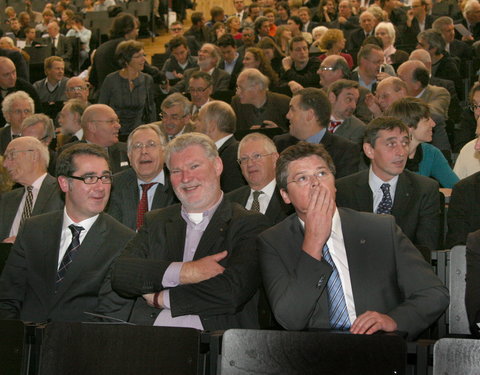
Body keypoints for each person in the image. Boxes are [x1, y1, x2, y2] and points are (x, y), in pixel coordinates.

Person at [258, 141, 449, 339]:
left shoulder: (380, 229)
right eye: (302, 178)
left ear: (335, 184)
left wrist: (393, 321)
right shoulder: (273, 241)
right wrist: (313, 244)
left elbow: (433, 294)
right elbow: (291, 319)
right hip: (312, 353)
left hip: (377, 348)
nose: (316, 182)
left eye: (322, 173)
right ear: (285, 195)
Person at [94, 133, 271, 329]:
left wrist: (161, 298)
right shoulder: (157, 221)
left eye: (194, 166)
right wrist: (186, 271)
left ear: (217, 166)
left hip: (213, 346)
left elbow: (232, 292)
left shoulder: (249, 224)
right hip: (150, 339)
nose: (186, 178)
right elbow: (121, 274)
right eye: (176, 171)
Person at [0, 143, 134, 322]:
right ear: (64, 183)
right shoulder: (33, 229)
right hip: (24, 343)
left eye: (105, 177)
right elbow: (8, 298)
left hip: (80, 345)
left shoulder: (123, 241)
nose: (100, 187)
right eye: (89, 178)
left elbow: (110, 317)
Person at [336, 116, 441, 255]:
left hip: (406, 271)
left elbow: (426, 250)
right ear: (369, 150)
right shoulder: (343, 189)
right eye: (391, 144)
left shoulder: (424, 190)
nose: (401, 152)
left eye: (404, 143)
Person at [274, 88, 360, 179]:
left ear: (309, 115)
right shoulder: (280, 144)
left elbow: (343, 189)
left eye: (292, 110)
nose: (287, 115)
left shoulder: (345, 151)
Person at [107, 124, 177, 231]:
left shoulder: (177, 185)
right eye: (137, 146)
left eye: (151, 145)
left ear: (164, 152)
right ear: (129, 156)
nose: (144, 151)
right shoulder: (113, 186)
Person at [0, 136, 63, 243]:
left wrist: (23, 242)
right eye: (5, 158)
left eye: (11, 155)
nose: (5, 164)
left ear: (34, 155)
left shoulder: (61, 192)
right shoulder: (7, 199)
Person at [386, 98, 459, 188]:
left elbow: (457, 188)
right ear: (409, 126)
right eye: (427, 119)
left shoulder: (431, 153)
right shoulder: (385, 155)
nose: (433, 124)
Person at [227, 132, 292, 224]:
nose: (250, 164)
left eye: (257, 156)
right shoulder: (230, 201)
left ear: (275, 158)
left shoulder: (291, 196)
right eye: (244, 159)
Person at [98, 40, 156, 136]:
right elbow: (101, 108)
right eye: (138, 56)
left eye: (143, 55)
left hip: (139, 133)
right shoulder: (111, 80)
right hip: (114, 133)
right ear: (126, 60)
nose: (143, 60)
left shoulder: (147, 80)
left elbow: (151, 110)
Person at [60, 104, 130, 174]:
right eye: (111, 121)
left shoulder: (127, 151)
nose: (118, 126)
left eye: (117, 121)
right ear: (92, 126)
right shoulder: (69, 153)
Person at [195, 100, 246, 193]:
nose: (195, 124)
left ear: (211, 126)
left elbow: (235, 195)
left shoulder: (234, 153)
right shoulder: (227, 151)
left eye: (199, 119)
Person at [0, 57, 40, 127]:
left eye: (14, 72)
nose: (12, 77)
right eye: (6, 75)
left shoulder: (26, 88)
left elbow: (39, 115)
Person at [327, 79, 365, 145]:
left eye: (356, 101)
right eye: (349, 99)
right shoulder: (315, 119)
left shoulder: (358, 128)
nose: (354, 106)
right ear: (332, 97)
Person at [0, 91, 35, 155]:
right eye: (18, 111)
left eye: (27, 111)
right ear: (7, 115)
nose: (23, 116)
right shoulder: (1, 135)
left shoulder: (38, 136)